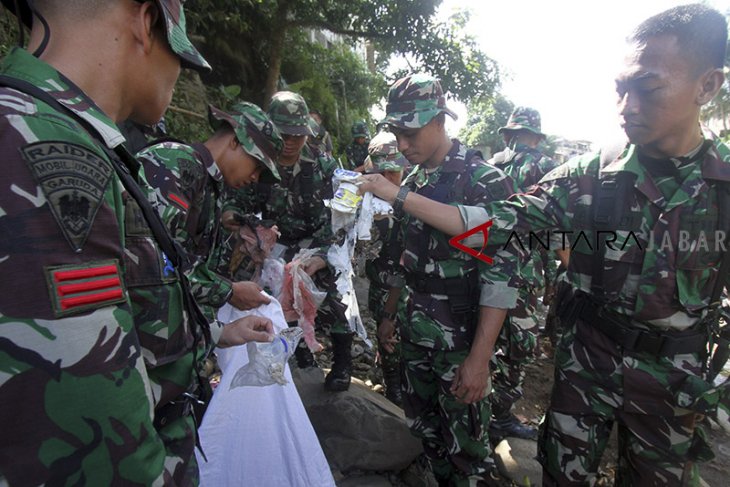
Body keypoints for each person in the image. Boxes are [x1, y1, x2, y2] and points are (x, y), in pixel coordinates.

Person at [360, 5, 730, 485]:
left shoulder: (721, 186)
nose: (626, 106)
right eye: (620, 88)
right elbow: (490, 227)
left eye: (648, 87)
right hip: (586, 367)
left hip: (673, 387)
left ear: (707, 86)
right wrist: (401, 196)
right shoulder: (590, 176)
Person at [0, 1, 272, 485]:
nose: (176, 74)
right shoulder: (43, 148)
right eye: (181, 57)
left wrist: (211, 336)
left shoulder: (76, 143)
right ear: (146, 23)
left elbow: (132, 310)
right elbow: (93, 434)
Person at [374, 73, 522, 486]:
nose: (402, 145)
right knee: (428, 437)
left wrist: (478, 361)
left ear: (439, 120)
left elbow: (500, 276)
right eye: (396, 134)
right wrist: (389, 315)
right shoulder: (417, 180)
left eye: (410, 132)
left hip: (459, 343)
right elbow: (407, 261)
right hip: (414, 333)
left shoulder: (482, 181)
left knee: (467, 454)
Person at [222, 91, 356, 392]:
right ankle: (290, 351)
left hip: (317, 244)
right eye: (285, 134)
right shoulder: (257, 161)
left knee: (338, 289)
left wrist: (321, 256)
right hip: (271, 246)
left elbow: (343, 220)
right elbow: (235, 200)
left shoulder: (324, 167)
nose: (292, 142)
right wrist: (236, 220)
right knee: (256, 289)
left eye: (298, 135)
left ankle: (343, 362)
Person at [137, 102, 279, 319]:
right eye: (257, 166)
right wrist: (228, 292)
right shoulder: (176, 164)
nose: (254, 178)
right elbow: (154, 259)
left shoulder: (209, 185)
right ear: (235, 141)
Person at [488, 106, 559, 441]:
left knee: (488, 337)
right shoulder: (546, 166)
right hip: (523, 268)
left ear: (510, 133)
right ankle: (500, 415)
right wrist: (555, 274)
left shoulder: (492, 165)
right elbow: (555, 230)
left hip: (486, 263)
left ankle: (482, 403)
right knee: (520, 344)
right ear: (536, 134)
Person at [361, 131, 408, 406]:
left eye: (394, 172)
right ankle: (392, 387)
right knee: (386, 337)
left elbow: (405, 268)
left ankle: (398, 387)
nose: (389, 180)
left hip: (404, 288)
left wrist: (391, 312)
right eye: (382, 173)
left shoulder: (411, 202)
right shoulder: (368, 201)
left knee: (395, 333)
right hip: (380, 284)